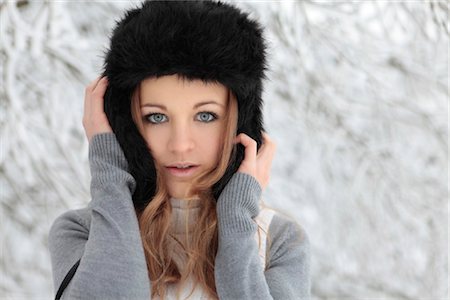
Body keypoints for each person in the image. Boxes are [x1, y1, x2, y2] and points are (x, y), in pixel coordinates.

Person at [48, 1, 311, 299]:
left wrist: (236, 218)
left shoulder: (279, 241)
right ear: (126, 126)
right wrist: (109, 171)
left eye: (206, 116)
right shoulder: (81, 231)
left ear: (239, 126)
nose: (180, 144)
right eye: (156, 117)